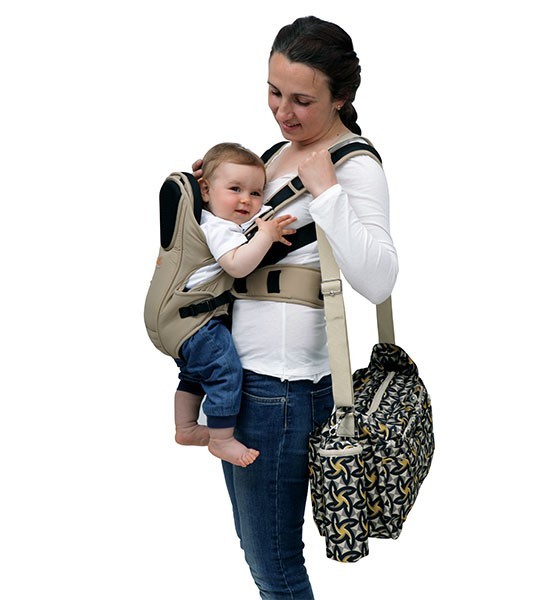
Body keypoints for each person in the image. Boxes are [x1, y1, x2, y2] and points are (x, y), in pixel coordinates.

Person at [191, 16, 398, 598]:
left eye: (302, 100)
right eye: (274, 92)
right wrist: (212, 189)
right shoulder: (276, 154)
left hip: (282, 388)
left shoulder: (354, 165)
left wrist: (327, 191)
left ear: (341, 98)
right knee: (263, 553)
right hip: (244, 377)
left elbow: (379, 279)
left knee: (274, 562)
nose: (283, 111)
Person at [174, 142, 297, 468]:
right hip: (198, 321)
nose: (246, 200)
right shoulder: (219, 228)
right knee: (225, 370)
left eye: (256, 193)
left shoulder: (209, 218)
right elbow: (237, 265)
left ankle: (185, 427)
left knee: (194, 374)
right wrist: (266, 235)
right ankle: (221, 439)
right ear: (205, 189)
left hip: (183, 321)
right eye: (235, 189)